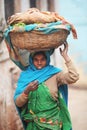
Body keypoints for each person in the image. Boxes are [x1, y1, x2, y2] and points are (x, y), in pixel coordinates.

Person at [14, 43, 79, 130]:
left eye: (43, 59)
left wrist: (65, 57)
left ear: (47, 59)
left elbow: (74, 76)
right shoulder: (25, 77)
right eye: (36, 60)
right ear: (31, 61)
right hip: (33, 126)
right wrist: (26, 91)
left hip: (53, 125)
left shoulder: (54, 74)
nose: (39, 62)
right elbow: (18, 103)